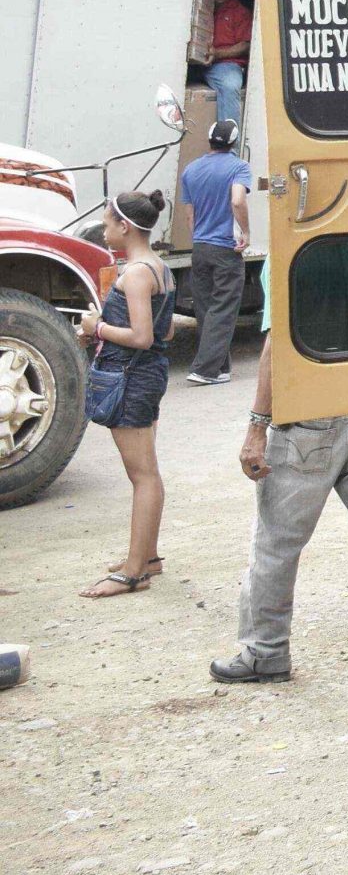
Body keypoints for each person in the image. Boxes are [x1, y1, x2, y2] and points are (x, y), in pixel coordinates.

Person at [212, 351, 348, 685]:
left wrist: (256, 427)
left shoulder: (293, 293)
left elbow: (275, 347)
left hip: (308, 421)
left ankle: (265, 652)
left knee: (276, 545)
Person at [76, 191, 175, 598]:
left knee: (142, 475)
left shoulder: (135, 273)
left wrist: (95, 327)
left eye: (106, 223)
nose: (103, 229)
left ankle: (134, 572)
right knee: (147, 469)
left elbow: (142, 335)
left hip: (131, 377)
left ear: (125, 227)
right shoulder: (161, 268)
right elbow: (166, 332)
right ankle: (147, 556)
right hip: (148, 375)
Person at [179, 117, 253, 385]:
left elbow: (190, 215)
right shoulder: (239, 167)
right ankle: (205, 370)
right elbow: (237, 200)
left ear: (209, 140)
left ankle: (221, 368)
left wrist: (199, 238)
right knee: (223, 310)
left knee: (206, 309)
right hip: (226, 249)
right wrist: (245, 232)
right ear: (233, 142)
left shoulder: (191, 170)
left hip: (200, 247)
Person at [205, 0, 253, 128]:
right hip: (196, 62)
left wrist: (217, 53)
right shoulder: (201, 3)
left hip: (225, 64)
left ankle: (228, 146)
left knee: (230, 85)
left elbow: (245, 45)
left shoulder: (240, 12)